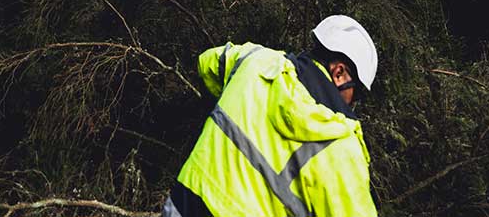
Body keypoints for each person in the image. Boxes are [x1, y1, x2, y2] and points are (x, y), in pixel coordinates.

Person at [162, 15, 378, 217]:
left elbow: (207, 63)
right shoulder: (341, 146)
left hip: (183, 205)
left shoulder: (257, 61)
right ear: (339, 73)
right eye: (356, 93)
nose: (352, 103)